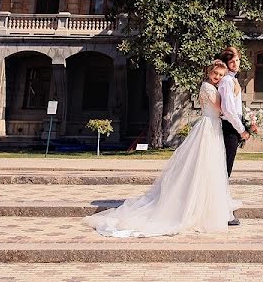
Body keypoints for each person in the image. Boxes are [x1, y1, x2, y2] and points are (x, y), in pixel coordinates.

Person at [84, 60, 241, 237]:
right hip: (208, 127)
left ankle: (206, 206)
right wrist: (233, 92)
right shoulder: (207, 87)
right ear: (209, 72)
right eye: (215, 74)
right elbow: (221, 108)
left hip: (214, 127)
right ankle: (193, 208)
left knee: (210, 168)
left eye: (220, 75)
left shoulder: (214, 86)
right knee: (202, 164)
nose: (217, 77)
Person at [218, 46, 250, 225]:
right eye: (232, 62)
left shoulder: (232, 80)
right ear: (226, 63)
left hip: (233, 127)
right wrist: (241, 130)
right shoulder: (226, 82)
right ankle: (222, 213)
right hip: (229, 128)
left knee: (225, 171)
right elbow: (228, 110)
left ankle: (222, 210)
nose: (236, 64)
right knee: (224, 171)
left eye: (237, 60)